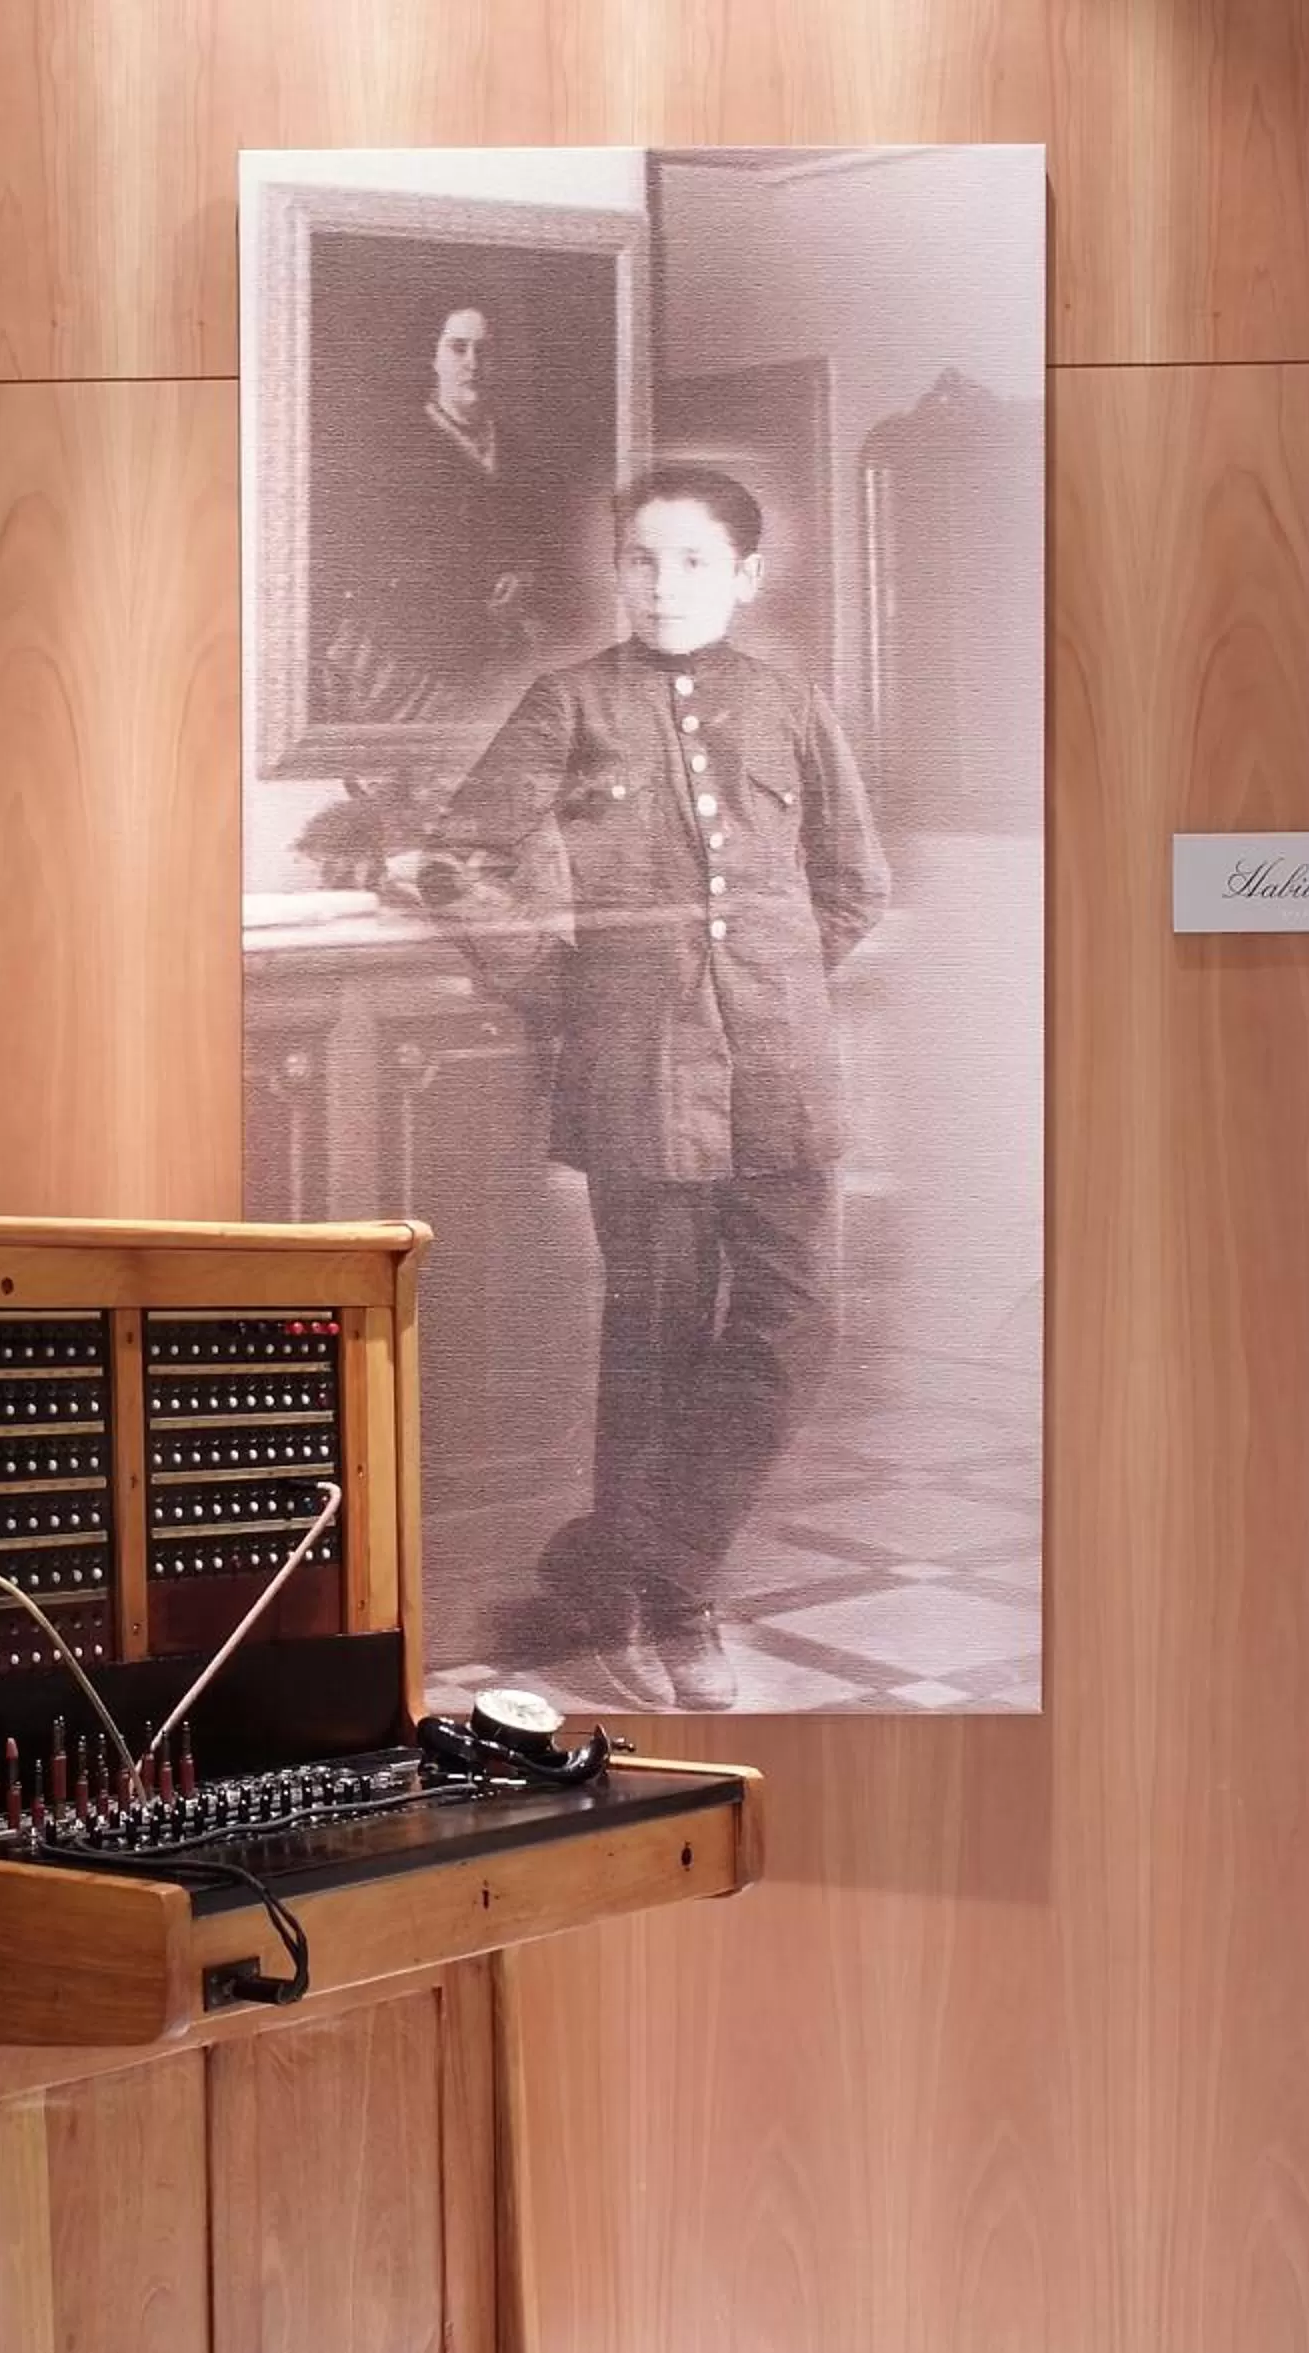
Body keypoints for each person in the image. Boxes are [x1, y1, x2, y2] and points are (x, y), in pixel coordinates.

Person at [417, 460, 890, 1710]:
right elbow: (457, 865)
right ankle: (673, 1610)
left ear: (742, 576)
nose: (662, 582)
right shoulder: (568, 703)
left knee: (795, 1327)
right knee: (657, 1344)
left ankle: (615, 1563)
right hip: (638, 1081)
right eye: (641, 559)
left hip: (783, 1079)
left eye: (690, 561)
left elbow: (853, 883)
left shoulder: (789, 704)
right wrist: (565, 990)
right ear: (617, 572)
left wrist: (767, 980)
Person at [315, 304, 544, 728]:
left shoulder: (521, 456)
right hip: (404, 656)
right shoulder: (392, 448)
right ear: (433, 357)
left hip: (491, 657)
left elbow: (538, 541)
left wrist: (525, 575)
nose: (473, 363)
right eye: (458, 348)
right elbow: (364, 556)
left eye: (485, 350)